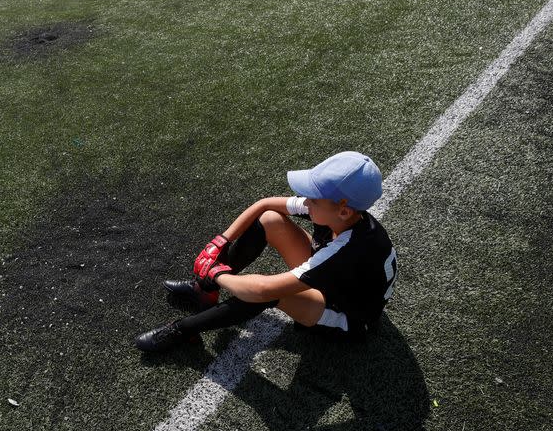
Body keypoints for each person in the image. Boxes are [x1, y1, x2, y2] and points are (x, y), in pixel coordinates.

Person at [135, 151, 398, 352]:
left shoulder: (349, 250)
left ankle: (182, 331)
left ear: (343, 209)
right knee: (271, 220)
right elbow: (264, 205)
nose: (306, 201)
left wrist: (216, 272)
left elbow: (263, 291)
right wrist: (221, 241)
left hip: (347, 319)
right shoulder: (341, 215)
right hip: (338, 284)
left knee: (263, 292)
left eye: (314, 198)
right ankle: (203, 291)